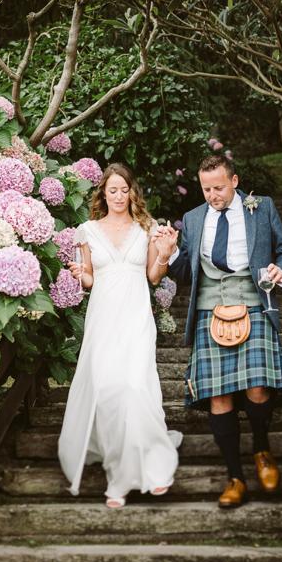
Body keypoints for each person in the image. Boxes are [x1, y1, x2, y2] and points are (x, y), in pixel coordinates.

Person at [150, 154, 282, 508]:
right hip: (208, 312)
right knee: (218, 396)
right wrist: (168, 254)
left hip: (253, 305)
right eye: (206, 189)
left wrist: (281, 271)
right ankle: (235, 476)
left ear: (234, 180)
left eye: (218, 187)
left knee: (259, 387)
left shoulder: (260, 207)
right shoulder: (194, 218)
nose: (212, 195)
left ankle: (262, 450)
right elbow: (186, 274)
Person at [58, 163, 182, 509]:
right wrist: (80, 272)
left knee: (136, 387)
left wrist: (167, 254)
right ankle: (119, 474)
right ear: (103, 193)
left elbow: (154, 276)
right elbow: (89, 281)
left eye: (123, 190)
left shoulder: (147, 228)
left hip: (136, 316)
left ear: (131, 193)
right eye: (111, 190)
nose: (117, 196)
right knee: (110, 392)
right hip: (103, 319)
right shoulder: (87, 231)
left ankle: (155, 469)